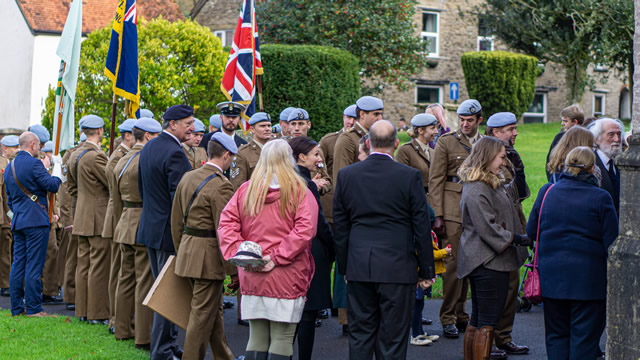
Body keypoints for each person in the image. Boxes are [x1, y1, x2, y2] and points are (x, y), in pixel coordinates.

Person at [333, 120, 435, 360]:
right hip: (398, 266)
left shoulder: (347, 175)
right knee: (393, 337)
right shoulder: (410, 176)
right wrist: (427, 269)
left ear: (367, 143)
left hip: (360, 265)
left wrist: (345, 266)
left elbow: (341, 226)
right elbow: (421, 226)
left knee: (360, 334)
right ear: (396, 144)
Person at [218, 139, 318, 360]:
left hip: (253, 273)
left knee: (257, 336)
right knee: (282, 338)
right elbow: (305, 229)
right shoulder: (299, 191)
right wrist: (276, 257)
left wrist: (242, 252)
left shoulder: (246, 190)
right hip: (287, 273)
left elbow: (226, 224)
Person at [527, 146, 618, 360]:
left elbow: (532, 231)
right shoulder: (601, 197)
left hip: (551, 279)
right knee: (584, 340)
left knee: (556, 336)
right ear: (592, 168)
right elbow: (612, 243)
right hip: (589, 281)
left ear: (566, 165)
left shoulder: (546, 192)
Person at [456, 136, 531, 360]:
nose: (503, 162)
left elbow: (513, 193)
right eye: (501, 157)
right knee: (487, 320)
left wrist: (519, 170)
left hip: (485, 260)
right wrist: (518, 238)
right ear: (487, 156)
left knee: (479, 319)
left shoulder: (487, 182)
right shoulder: (477, 187)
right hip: (486, 262)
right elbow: (487, 227)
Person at [171, 132, 237, 360]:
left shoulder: (188, 177)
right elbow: (225, 232)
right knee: (201, 317)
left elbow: (176, 221)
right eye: (232, 157)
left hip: (189, 253)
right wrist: (234, 270)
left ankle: (224, 356)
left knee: (212, 312)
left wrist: (182, 252)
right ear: (226, 155)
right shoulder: (222, 186)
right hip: (207, 260)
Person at [138, 104, 194, 360]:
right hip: (167, 233)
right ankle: (162, 351)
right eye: (187, 123)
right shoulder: (174, 153)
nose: (191, 128)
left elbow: (143, 190)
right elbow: (181, 201)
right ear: (173, 124)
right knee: (168, 294)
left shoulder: (150, 147)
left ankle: (168, 346)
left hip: (151, 228)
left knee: (163, 291)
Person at [428, 99, 482, 340]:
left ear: (479, 120)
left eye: (470, 120)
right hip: (452, 209)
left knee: (470, 265)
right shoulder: (447, 141)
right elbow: (436, 179)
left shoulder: (485, 142)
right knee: (453, 266)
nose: (465, 124)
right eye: (462, 120)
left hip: (477, 209)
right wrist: (437, 215)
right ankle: (448, 316)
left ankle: (461, 314)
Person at [484, 112, 531, 356]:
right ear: (495, 132)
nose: (515, 133)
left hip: (513, 226)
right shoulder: (483, 156)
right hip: (493, 230)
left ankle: (503, 337)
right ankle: (487, 340)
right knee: (493, 289)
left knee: (512, 285)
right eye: (510, 129)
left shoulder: (510, 155)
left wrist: (519, 169)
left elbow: (520, 194)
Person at [112, 118, 160, 349]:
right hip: (141, 222)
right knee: (144, 280)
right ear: (149, 136)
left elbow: (115, 198)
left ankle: (121, 328)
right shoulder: (146, 160)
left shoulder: (123, 159)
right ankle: (144, 336)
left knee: (125, 279)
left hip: (124, 223)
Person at [4, 131, 62, 317]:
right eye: (39, 145)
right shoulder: (35, 163)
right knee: (34, 266)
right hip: (36, 221)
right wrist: (57, 170)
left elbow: (10, 201)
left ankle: (16, 308)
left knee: (18, 264)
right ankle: (35, 308)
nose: (40, 149)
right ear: (32, 145)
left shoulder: (10, 165)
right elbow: (52, 185)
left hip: (19, 220)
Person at [288, 136, 334, 360]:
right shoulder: (305, 184)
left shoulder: (292, 179)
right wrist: (333, 248)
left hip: (289, 250)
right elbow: (318, 224)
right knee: (306, 314)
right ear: (301, 157)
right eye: (316, 154)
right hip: (308, 252)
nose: (319, 158)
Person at [69, 115, 110, 325]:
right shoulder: (95, 157)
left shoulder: (75, 154)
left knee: (83, 265)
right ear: (100, 131)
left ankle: (82, 310)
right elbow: (110, 183)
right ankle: (97, 313)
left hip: (82, 215)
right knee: (98, 266)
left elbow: (72, 188)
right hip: (97, 217)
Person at [318, 104, 356, 334]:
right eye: (347, 117)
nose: (350, 122)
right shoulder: (330, 140)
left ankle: (344, 315)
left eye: (354, 118)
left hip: (353, 208)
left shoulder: (365, 140)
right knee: (328, 259)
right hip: (331, 206)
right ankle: (327, 303)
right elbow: (320, 169)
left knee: (347, 261)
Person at [103, 118, 136, 333]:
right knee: (118, 272)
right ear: (127, 136)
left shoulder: (124, 156)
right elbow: (115, 196)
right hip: (119, 218)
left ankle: (117, 317)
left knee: (120, 271)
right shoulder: (118, 158)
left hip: (121, 218)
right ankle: (115, 318)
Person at [332, 96, 383, 181]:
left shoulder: (377, 137)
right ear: (362, 114)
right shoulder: (347, 139)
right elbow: (341, 176)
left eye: (381, 114)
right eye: (376, 114)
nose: (380, 118)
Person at [395, 113, 438, 193]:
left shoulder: (433, 152)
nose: (436, 132)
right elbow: (400, 180)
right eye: (432, 128)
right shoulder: (405, 150)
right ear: (420, 130)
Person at [230, 112, 273, 190]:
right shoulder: (242, 153)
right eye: (262, 126)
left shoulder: (276, 150)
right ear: (252, 129)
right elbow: (238, 186)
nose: (267, 129)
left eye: (269, 126)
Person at [590, 118, 624, 215]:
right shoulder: (591, 164)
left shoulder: (619, 163)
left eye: (619, 134)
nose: (617, 139)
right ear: (597, 139)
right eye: (611, 134)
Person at [0, 135, 18, 297]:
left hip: (1, 216)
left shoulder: (5, 165)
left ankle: (4, 283)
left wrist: (9, 215)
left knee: (5, 250)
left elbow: (6, 195)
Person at [545, 105, 584, 180]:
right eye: (562, 120)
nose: (562, 124)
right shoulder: (559, 138)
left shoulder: (587, 139)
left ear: (575, 122)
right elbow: (549, 162)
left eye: (565, 121)